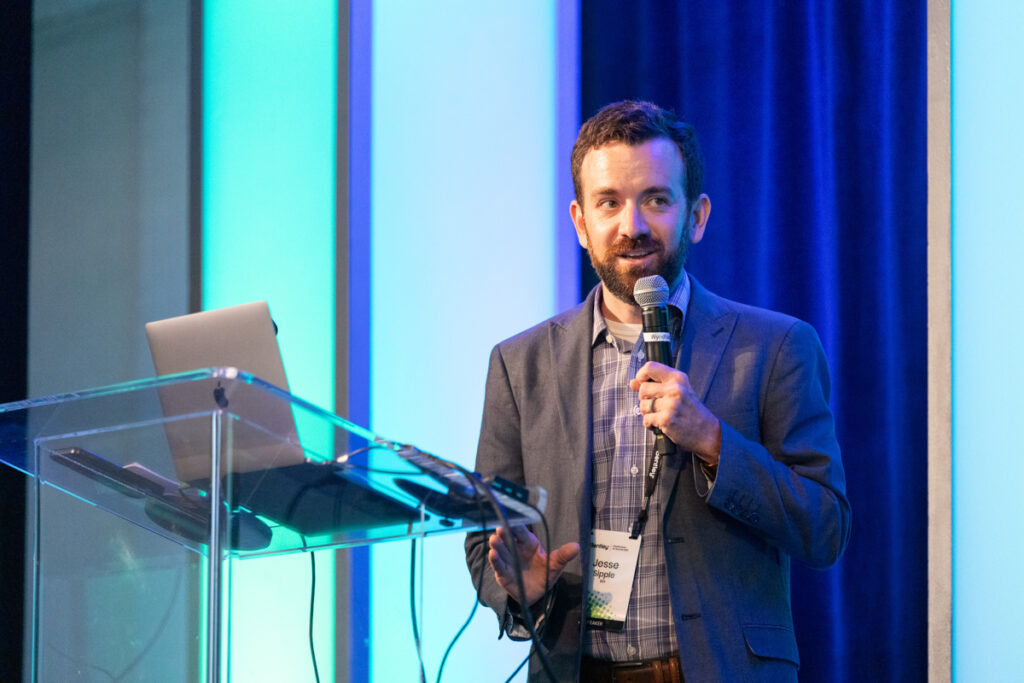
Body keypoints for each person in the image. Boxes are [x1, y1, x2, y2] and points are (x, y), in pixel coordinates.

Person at [465, 100, 850, 682]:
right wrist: (522, 589)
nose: (632, 225)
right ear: (579, 222)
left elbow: (826, 527)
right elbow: (485, 536)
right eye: (609, 202)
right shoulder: (521, 365)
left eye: (656, 199)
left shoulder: (774, 348)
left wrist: (714, 440)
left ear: (696, 215)